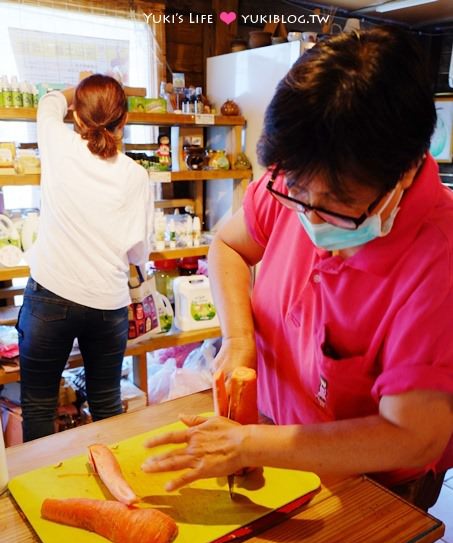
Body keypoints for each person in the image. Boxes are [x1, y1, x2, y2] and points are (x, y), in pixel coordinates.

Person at [142, 27, 453, 510]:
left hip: (371, 486)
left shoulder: (439, 260)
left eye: (337, 204)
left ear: (408, 170)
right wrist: (239, 340)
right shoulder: (303, 172)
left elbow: (412, 436)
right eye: (297, 194)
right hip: (275, 434)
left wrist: (246, 446)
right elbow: (227, 244)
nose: (307, 216)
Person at [17, 74, 151, 441]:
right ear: (124, 121)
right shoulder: (137, 176)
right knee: (107, 403)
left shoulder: (58, 144)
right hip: (108, 305)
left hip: (50, 297)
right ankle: (111, 491)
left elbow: (48, 102)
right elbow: (139, 252)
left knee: (40, 404)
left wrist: (77, 92)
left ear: (76, 117)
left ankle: (43, 493)